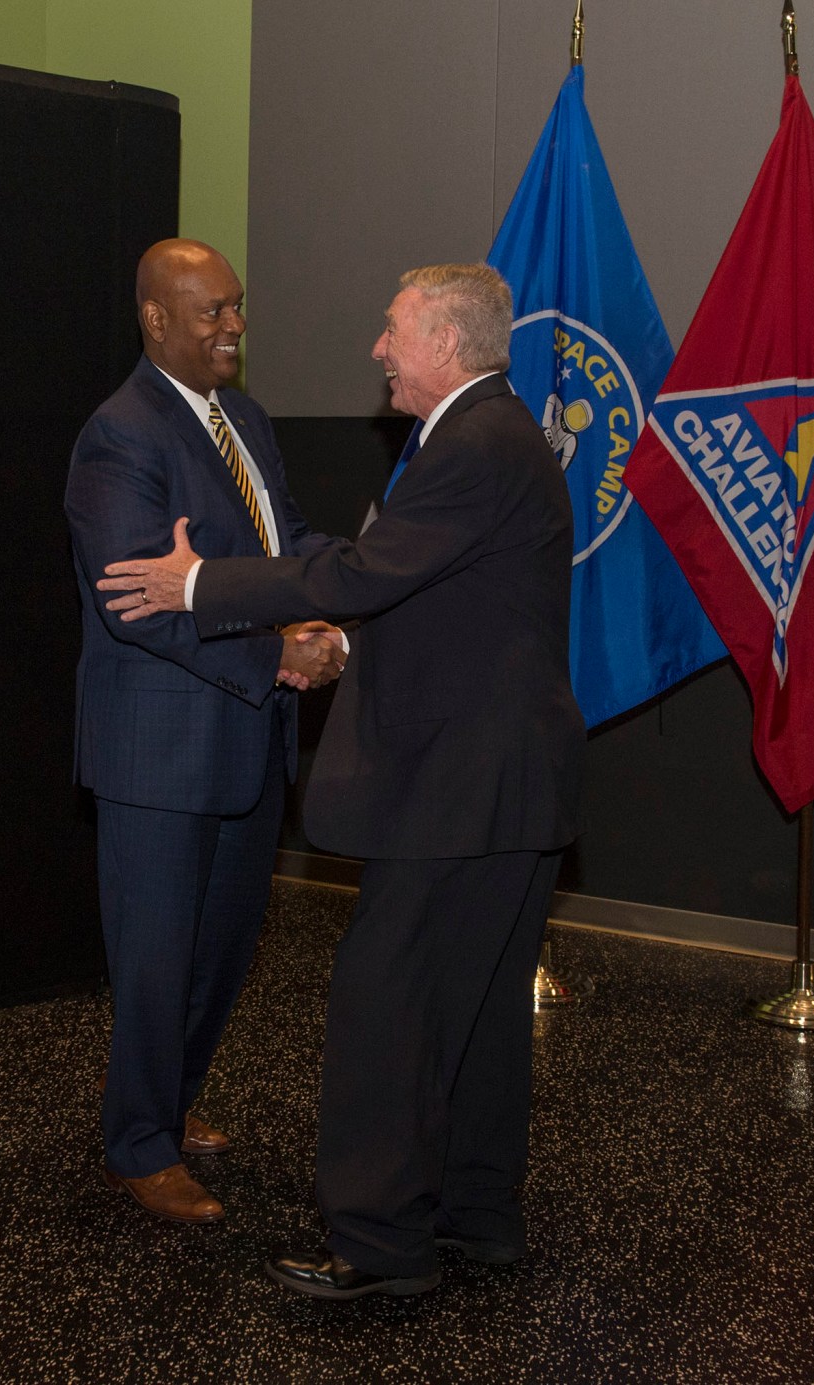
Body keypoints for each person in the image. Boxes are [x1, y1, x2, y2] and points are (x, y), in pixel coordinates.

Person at [98, 263, 583, 1296]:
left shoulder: (472, 441)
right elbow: (439, 599)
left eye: (392, 327)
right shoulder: (491, 435)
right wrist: (330, 641)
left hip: (458, 785)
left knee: (390, 1009)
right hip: (501, 780)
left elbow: (366, 573)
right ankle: (474, 1212)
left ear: (445, 344)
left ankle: (377, 1244)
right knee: (477, 1013)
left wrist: (196, 581)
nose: (375, 348)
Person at [66, 238, 346, 1224]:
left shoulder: (247, 420)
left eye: (235, 306)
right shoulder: (118, 436)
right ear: (153, 318)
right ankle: (136, 1143)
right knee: (154, 952)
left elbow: (290, 544)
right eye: (208, 311)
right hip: (161, 749)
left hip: (245, 739)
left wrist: (336, 600)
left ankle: (170, 1100)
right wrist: (276, 656)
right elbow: (133, 603)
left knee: (221, 946)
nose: (231, 325)